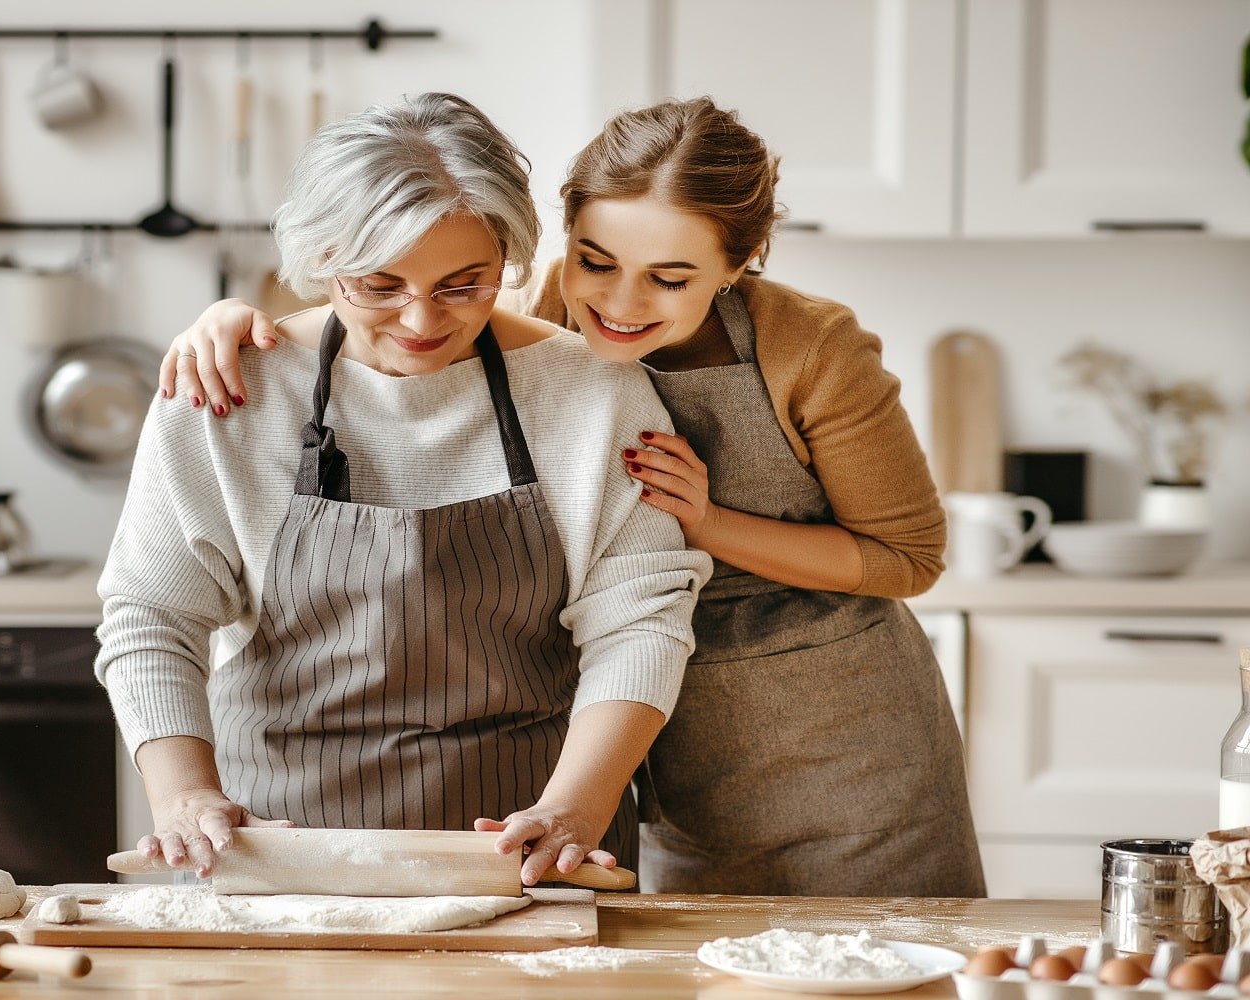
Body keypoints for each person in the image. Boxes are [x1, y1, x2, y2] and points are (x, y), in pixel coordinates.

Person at [155, 96, 986, 897]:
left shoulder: (808, 348)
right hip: (661, 738)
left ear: (740, 264)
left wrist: (704, 522)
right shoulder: (531, 317)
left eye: (670, 278)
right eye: (596, 261)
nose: (619, 306)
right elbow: (397, 304)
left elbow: (905, 558)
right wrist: (232, 322)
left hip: (835, 733)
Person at [95, 92, 710, 887]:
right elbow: (152, 614)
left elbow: (641, 621)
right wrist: (182, 797)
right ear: (322, 263)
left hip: (528, 853)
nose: (422, 320)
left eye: (464, 284)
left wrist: (575, 808)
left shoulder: (593, 394)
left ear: (509, 261)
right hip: (277, 853)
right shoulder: (228, 390)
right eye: (378, 285)